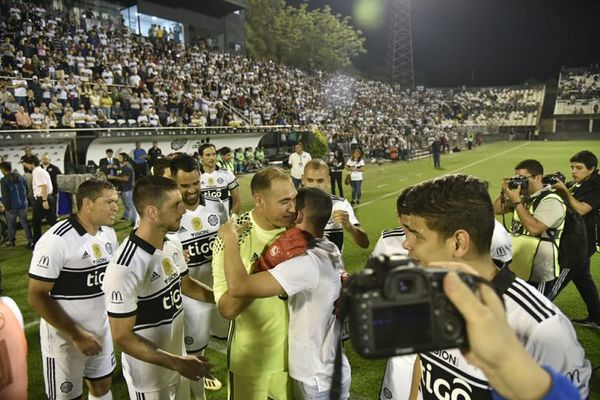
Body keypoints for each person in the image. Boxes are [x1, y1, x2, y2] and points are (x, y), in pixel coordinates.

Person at [379, 174, 591, 399]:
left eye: (416, 234)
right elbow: (423, 364)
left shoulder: (541, 328)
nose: (405, 243)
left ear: (459, 243)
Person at [219, 187, 351, 399]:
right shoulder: (330, 248)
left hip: (316, 379)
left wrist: (230, 238)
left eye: (292, 207)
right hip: (334, 368)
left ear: (299, 215)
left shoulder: (307, 263)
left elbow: (238, 287)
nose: (287, 211)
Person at [103, 176, 215, 400]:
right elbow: (122, 336)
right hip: (150, 377)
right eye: (175, 205)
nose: (182, 210)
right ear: (153, 212)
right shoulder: (125, 267)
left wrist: (222, 297)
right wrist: (176, 362)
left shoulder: (172, 242)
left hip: (178, 360)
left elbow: (185, 284)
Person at [28, 179, 120, 400]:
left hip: (101, 331)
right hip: (65, 340)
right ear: (88, 204)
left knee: (102, 387)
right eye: (109, 202)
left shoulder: (108, 234)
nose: (116, 207)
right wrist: (77, 334)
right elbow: (36, 295)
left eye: (115, 202)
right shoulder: (55, 241)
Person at [212, 167, 296, 400]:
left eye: (294, 199)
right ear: (259, 200)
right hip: (251, 362)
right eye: (284, 201)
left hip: (296, 360)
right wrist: (269, 264)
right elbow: (227, 308)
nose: (292, 208)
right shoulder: (232, 238)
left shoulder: (299, 231)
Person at [440, 266, 580, 400]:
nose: (416, 246)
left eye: (420, 239)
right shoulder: (433, 298)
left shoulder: (545, 325)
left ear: (459, 243)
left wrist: (506, 364)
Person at [171, 154, 228, 396]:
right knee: (195, 349)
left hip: (219, 287)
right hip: (189, 293)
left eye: (195, 183)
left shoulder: (216, 205)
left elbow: (228, 240)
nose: (192, 190)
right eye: (184, 186)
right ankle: (197, 387)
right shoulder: (166, 211)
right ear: (174, 183)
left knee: (228, 336)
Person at [493, 159, 566, 297]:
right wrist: (505, 191)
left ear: (538, 177)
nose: (520, 182)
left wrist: (516, 202)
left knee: (536, 312)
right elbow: (496, 210)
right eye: (517, 178)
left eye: (523, 178)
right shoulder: (524, 198)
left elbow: (534, 229)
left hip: (540, 270)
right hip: (520, 266)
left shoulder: (551, 200)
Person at [551, 150, 600, 328]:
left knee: (557, 278)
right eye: (572, 167)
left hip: (582, 242)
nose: (574, 171)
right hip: (576, 238)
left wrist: (564, 190)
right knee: (582, 278)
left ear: (592, 168)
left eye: (579, 168)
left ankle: (537, 310)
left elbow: (581, 209)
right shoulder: (578, 184)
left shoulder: (597, 186)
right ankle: (597, 317)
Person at [301, 159, 369, 253]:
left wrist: (349, 226)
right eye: (310, 180)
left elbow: (365, 243)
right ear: (303, 180)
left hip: (333, 266)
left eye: (320, 181)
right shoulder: (293, 205)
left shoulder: (341, 205)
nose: (315, 186)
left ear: (328, 180)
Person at [198, 143, 241, 218]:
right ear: (200, 157)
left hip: (224, 223)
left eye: (214, 154)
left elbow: (237, 200)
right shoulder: (196, 176)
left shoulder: (227, 173)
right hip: (204, 225)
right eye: (208, 155)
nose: (212, 158)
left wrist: (233, 217)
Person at [22, 155, 56, 245]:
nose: (26, 166)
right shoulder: (39, 171)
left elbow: (44, 186)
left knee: (36, 222)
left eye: (26, 164)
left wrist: (44, 201)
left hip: (43, 198)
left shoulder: (37, 172)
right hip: (45, 198)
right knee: (51, 221)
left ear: (32, 163)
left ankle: (37, 243)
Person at [0, 162, 33, 248]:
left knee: (11, 225)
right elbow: (26, 188)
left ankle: (11, 241)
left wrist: (7, 208)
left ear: (3, 169)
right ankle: (30, 240)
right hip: (23, 205)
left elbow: (5, 196)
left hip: (11, 207)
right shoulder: (21, 177)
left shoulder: (3, 180)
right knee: (25, 224)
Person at [106, 153, 136, 227]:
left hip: (128, 190)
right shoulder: (123, 167)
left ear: (125, 158)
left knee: (131, 206)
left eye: (120, 157)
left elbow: (126, 179)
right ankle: (127, 217)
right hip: (124, 189)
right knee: (127, 205)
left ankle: (135, 222)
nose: (118, 159)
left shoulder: (128, 168)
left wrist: (113, 177)